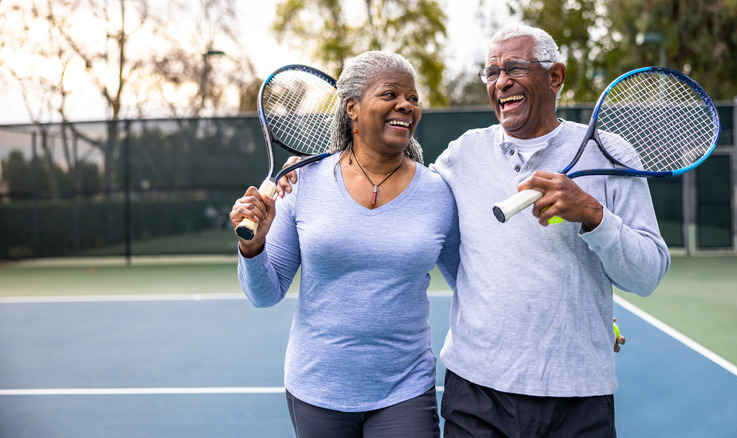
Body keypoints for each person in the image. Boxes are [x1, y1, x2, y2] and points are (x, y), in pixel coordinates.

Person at [430, 23, 670, 436]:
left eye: (515, 68)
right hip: (476, 392)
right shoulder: (461, 154)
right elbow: (435, 233)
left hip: (578, 394)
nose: (502, 81)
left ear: (555, 76)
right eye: (492, 72)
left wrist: (592, 214)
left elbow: (647, 275)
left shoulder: (612, 154)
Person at [229, 51, 459, 438]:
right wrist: (253, 248)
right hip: (316, 389)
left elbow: (470, 284)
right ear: (352, 108)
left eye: (413, 99)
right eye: (391, 94)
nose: (406, 105)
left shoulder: (438, 192)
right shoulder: (301, 182)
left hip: (404, 389)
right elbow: (264, 294)